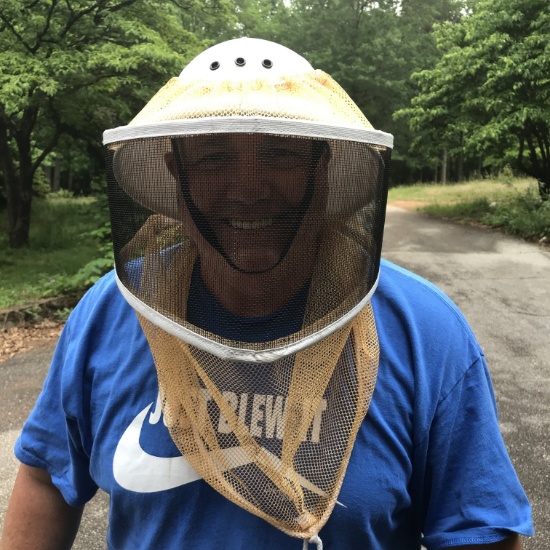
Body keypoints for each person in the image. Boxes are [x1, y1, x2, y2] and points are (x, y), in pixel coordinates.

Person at [1, 38, 534, 550]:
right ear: (174, 176)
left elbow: (478, 532)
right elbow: (48, 475)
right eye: (213, 157)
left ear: (324, 169)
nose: (248, 189)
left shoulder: (427, 331)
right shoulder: (110, 312)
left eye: (280, 153)